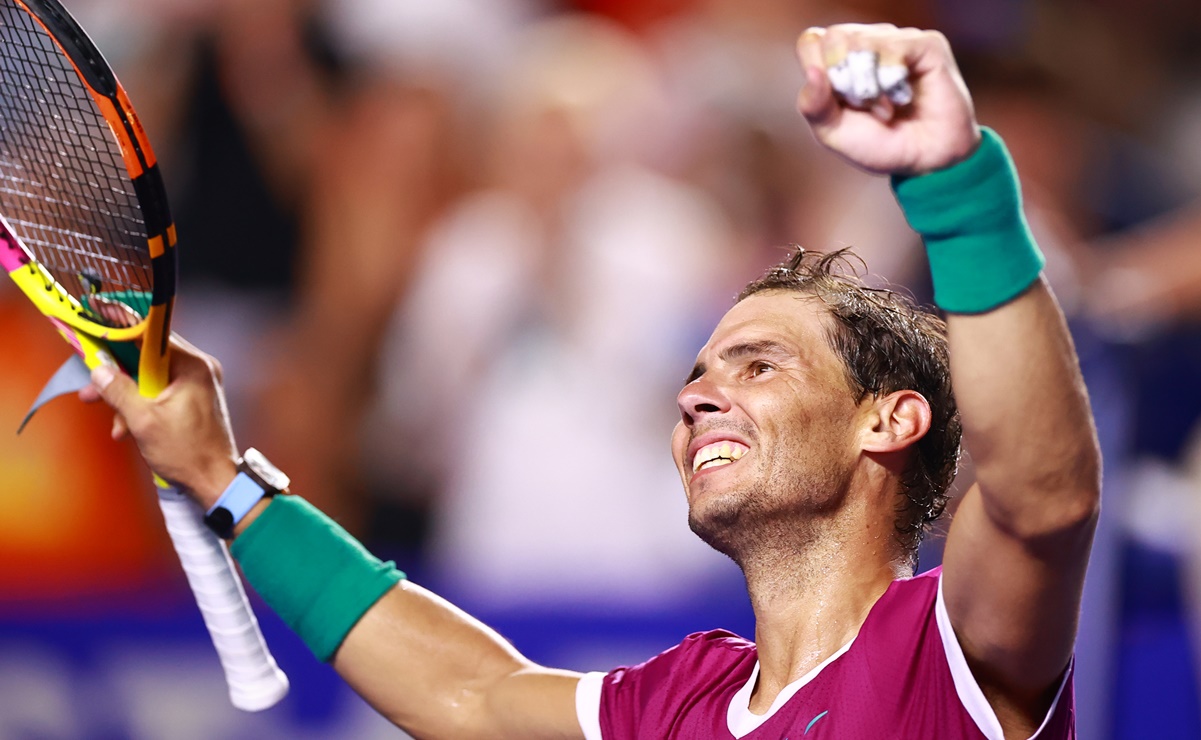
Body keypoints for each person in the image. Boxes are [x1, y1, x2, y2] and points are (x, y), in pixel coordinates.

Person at [83, 23, 1099, 739]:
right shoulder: (681, 701)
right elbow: (474, 692)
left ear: (890, 420)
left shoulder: (944, 649)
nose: (697, 393)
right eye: (699, 370)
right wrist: (222, 473)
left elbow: (1041, 491)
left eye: (758, 363)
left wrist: (956, 184)